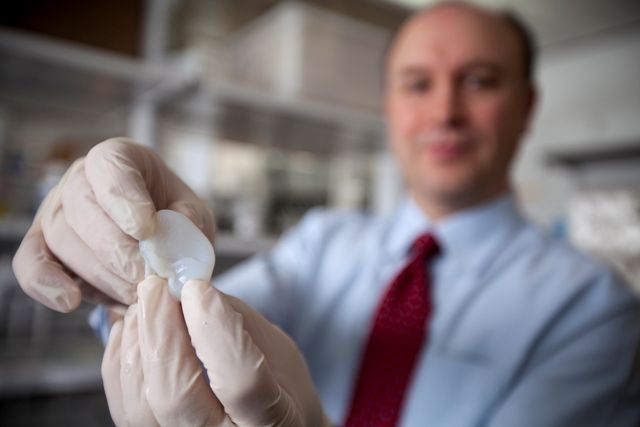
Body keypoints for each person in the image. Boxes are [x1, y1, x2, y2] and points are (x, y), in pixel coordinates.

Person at [11, 2, 640, 426]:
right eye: (418, 83)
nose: (445, 111)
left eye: (479, 81)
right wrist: (125, 263)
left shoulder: (593, 305)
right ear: (389, 105)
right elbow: (200, 317)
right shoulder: (322, 242)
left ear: (526, 106)